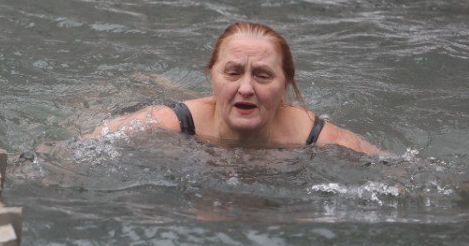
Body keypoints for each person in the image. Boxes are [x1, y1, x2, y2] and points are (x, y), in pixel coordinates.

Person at [90, 21, 380, 154]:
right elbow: (81, 146)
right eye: (233, 72)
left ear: (286, 86)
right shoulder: (169, 122)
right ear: (211, 76)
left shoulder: (319, 138)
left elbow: (399, 171)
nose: (246, 88)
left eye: (263, 76)